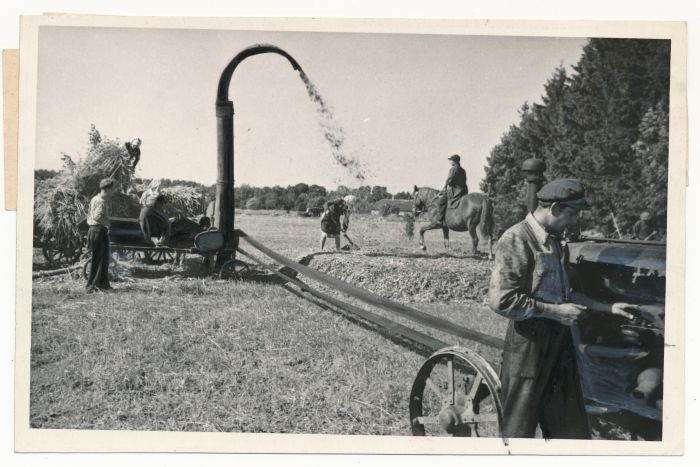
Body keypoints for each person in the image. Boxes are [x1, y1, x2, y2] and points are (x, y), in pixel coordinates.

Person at [488, 178, 640, 439]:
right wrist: (556, 312)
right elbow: (502, 300)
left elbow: (564, 294)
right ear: (555, 208)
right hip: (529, 345)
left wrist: (609, 307)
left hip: (560, 341)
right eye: (572, 215)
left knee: (570, 430)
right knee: (518, 431)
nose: (574, 222)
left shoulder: (555, 241)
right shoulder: (516, 239)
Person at [85, 177, 118, 292]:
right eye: (112, 189)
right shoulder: (101, 201)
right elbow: (97, 217)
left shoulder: (95, 198)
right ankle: (94, 286)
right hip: (98, 231)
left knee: (101, 259)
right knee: (99, 260)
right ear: (107, 189)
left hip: (95, 230)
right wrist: (107, 224)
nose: (113, 192)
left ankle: (102, 285)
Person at [436, 154, 468, 224]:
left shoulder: (453, 169)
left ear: (455, 161)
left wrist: (445, 187)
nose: (450, 162)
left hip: (455, 192)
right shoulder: (463, 170)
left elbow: (449, 180)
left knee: (440, 202)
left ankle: (440, 220)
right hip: (464, 191)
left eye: (451, 160)